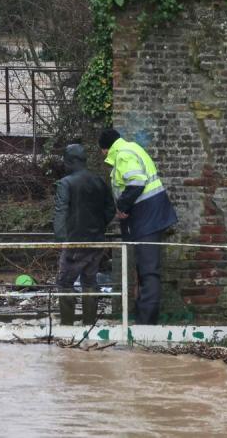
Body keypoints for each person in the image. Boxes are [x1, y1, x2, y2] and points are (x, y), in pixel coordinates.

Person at [98, 128, 178, 325]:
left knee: (149, 270)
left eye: (101, 151)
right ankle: (144, 318)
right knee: (145, 269)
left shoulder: (123, 155)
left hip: (147, 217)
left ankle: (146, 325)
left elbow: (136, 183)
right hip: (149, 215)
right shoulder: (133, 148)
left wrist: (122, 208)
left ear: (106, 149)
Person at [53, 143, 116, 326]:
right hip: (97, 241)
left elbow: (60, 211)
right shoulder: (99, 181)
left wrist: (60, 239)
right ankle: (89, 325)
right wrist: (99, 226)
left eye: (65, 161)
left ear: (71, 161)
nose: (64, 165)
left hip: (75, 242)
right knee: (89, 281)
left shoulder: (66, 183)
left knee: (65, 282)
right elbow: (110, 208)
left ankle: (67, 327)